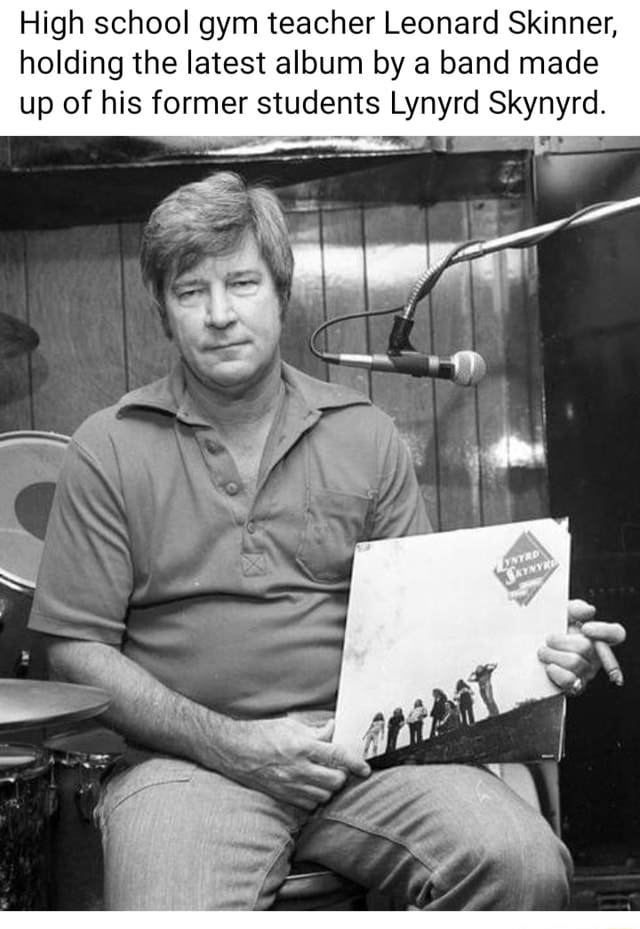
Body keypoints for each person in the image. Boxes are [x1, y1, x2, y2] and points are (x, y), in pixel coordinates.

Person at [29, 171, 625, 911]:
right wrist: (234, 745)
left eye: (242, 283)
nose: (219, 314)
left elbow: (427, 630)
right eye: (191, 292)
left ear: (282, 293)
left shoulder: (364, 434)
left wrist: (526, 643)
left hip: (366, 756)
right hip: (187, 764)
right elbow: (74, 651)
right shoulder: (107, 446)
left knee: (523, 863)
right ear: (162, 312)